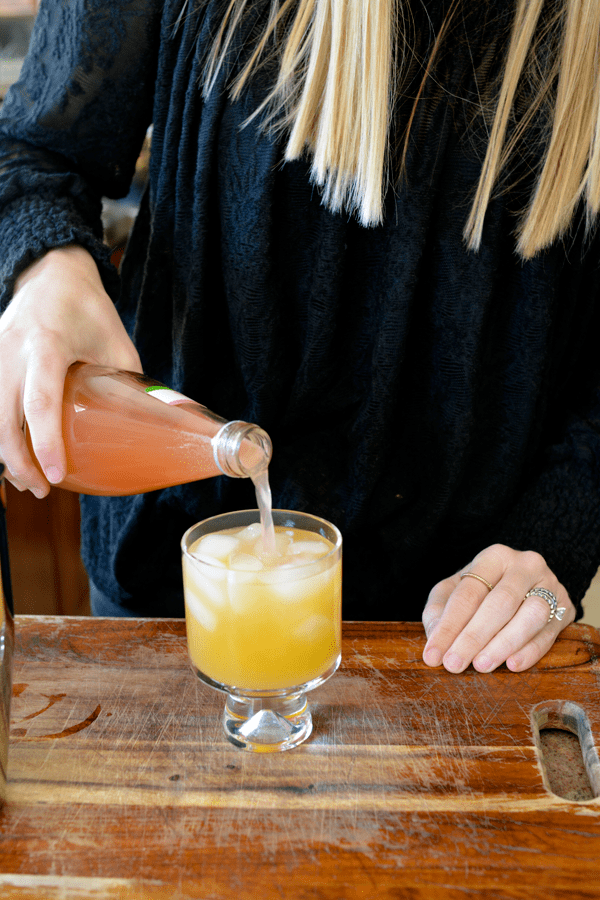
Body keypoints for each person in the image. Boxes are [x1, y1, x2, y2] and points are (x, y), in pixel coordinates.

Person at [0, 0, 599, 676]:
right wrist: (44, 271)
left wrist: (554, 534)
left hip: (465, 621)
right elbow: (33, 152)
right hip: (175, 585)